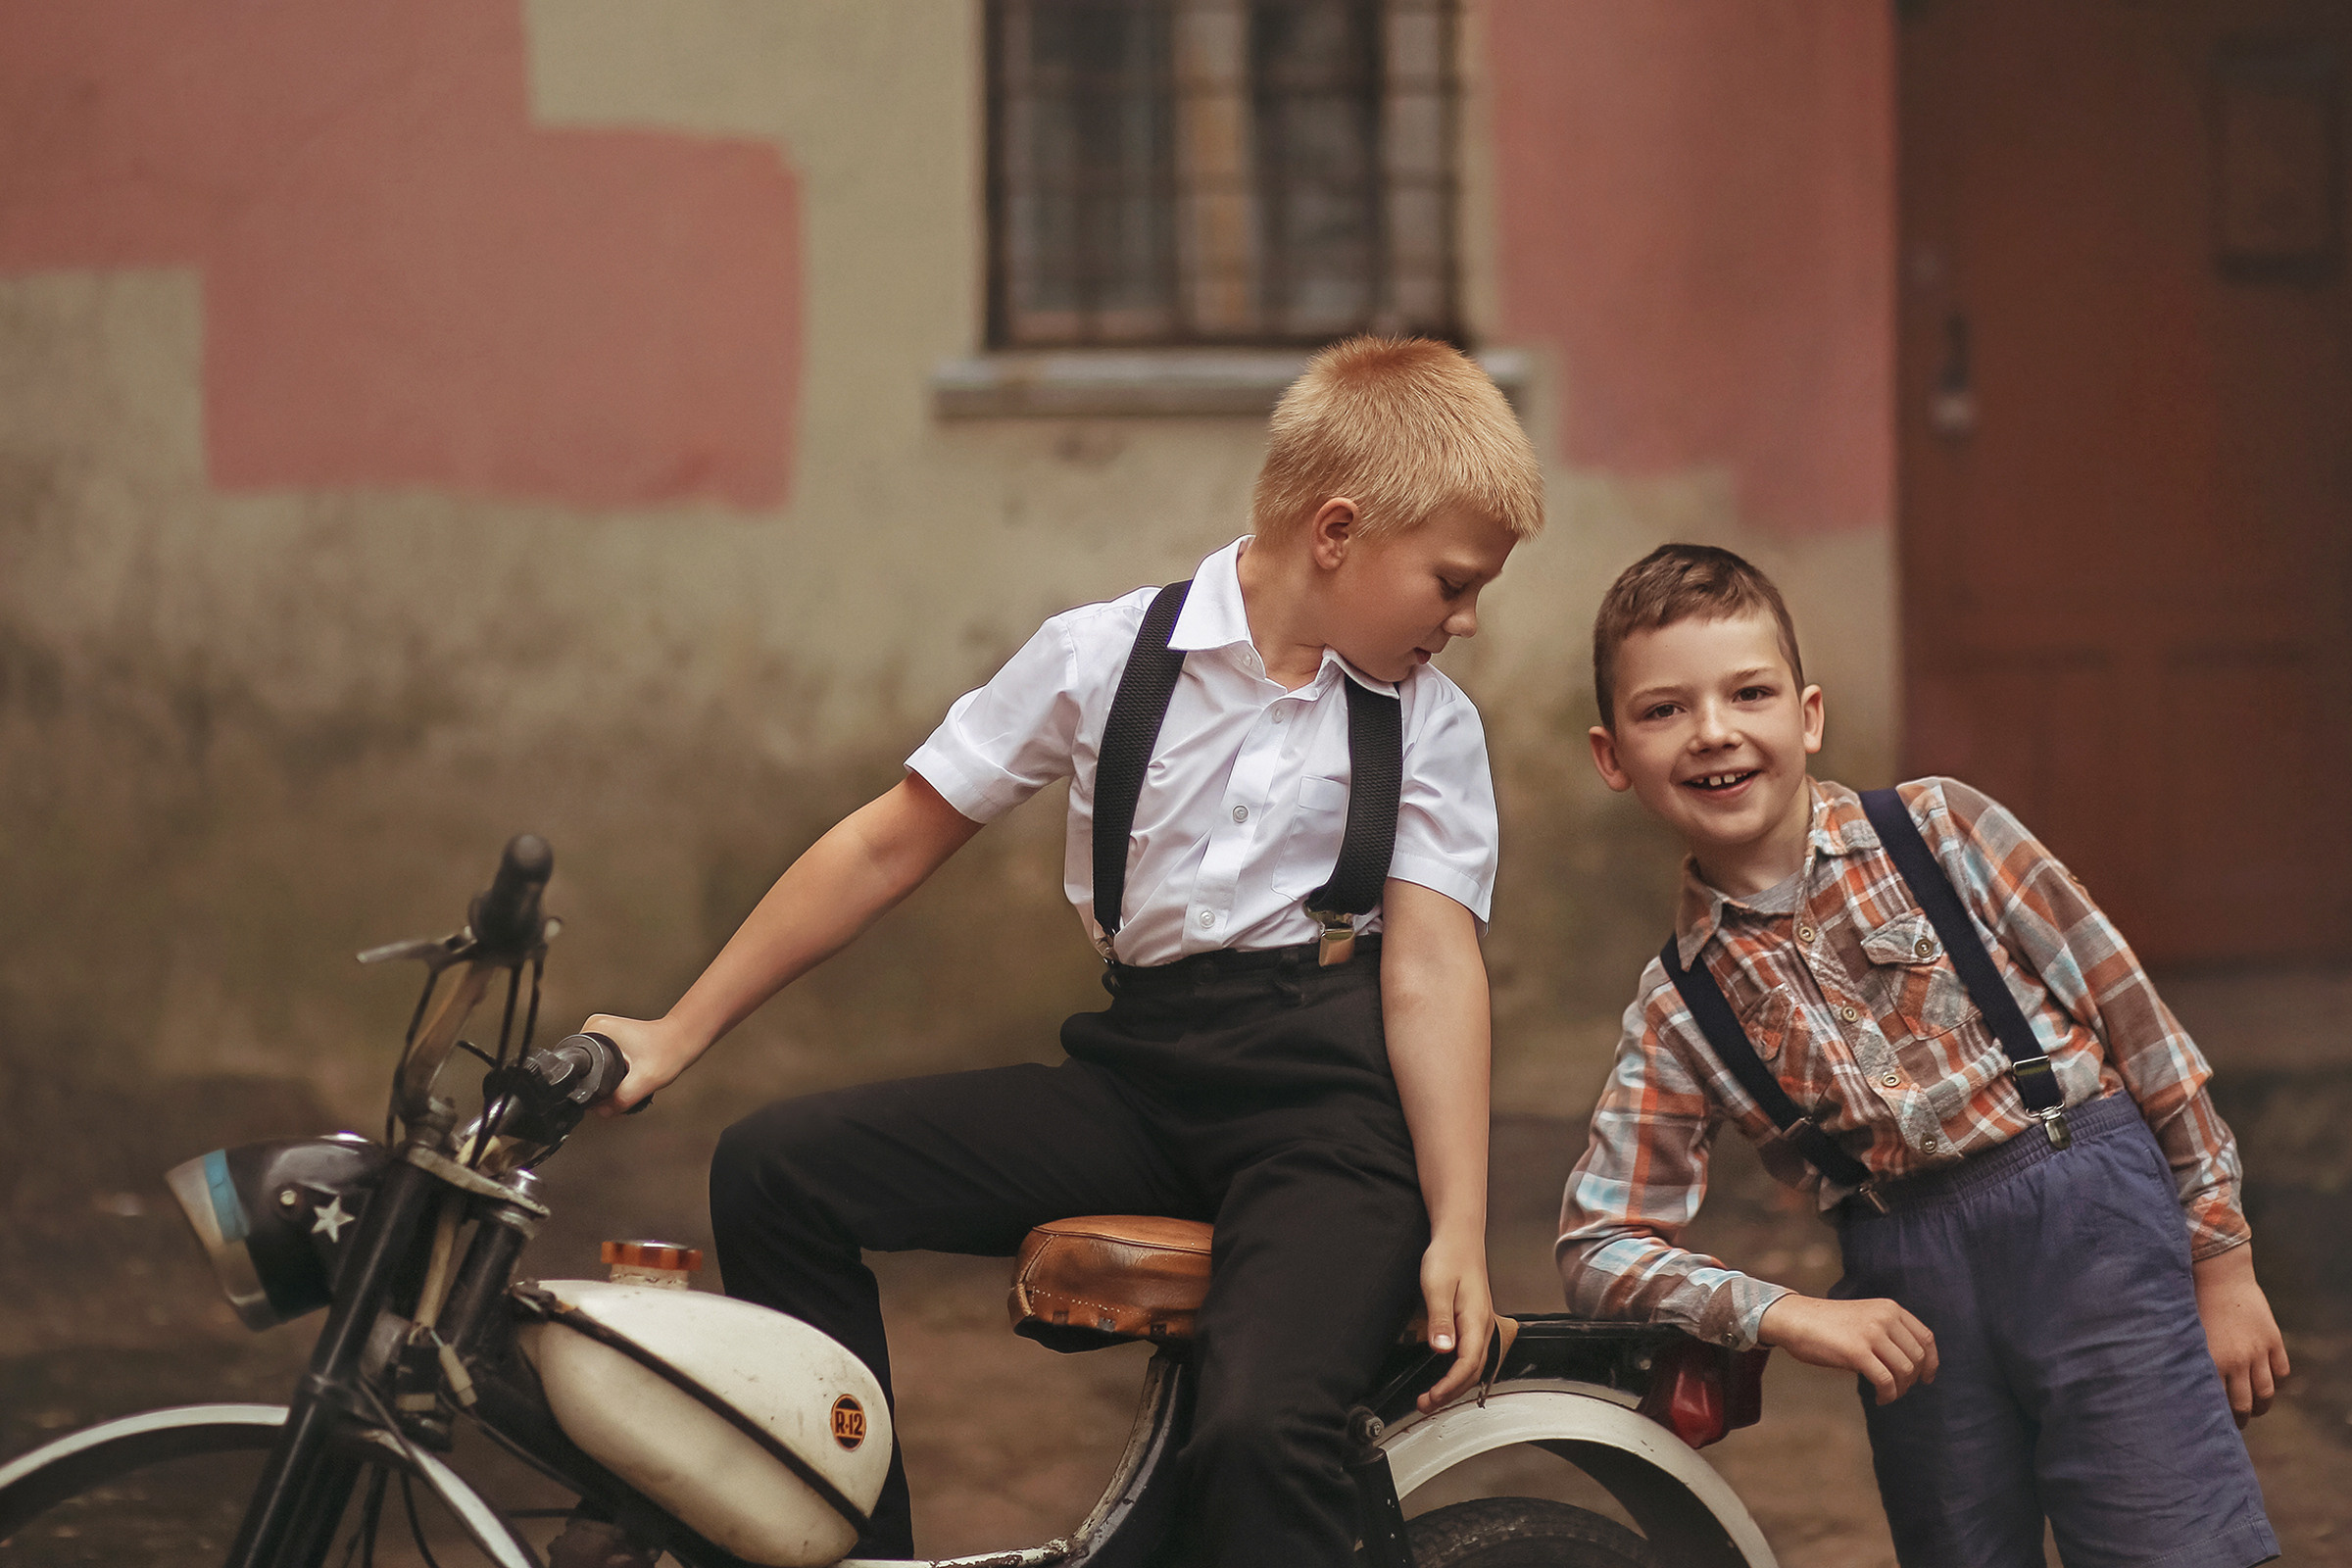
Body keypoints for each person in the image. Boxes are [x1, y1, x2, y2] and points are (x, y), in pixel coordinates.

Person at [584, 337, 1544, 1566]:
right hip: (1140, 1081)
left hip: (1328, 1120)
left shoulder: (1431, 726)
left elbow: (1428, 968)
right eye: (1454, 584)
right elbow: (890, 843)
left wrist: (1456, 1225)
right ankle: (850, 1550)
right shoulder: (1103, 658)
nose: (1466, 622)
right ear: (1338, 531)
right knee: (775, 1170)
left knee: (1260, 1431)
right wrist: (678, 1028)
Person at [1557, 543, 2286, 1568]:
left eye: (1748, 692)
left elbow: (2136, 1018)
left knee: (2172, 1544)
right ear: (1611, 754)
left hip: (2092, 1230)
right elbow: (1599, 1247)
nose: (1714, 731)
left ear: (1807, 715)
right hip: (1910, 1293)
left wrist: (2223, 1255)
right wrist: (1788, 1314)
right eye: (1663, 710)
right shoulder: (1676, 1007)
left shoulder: (1942, 827)